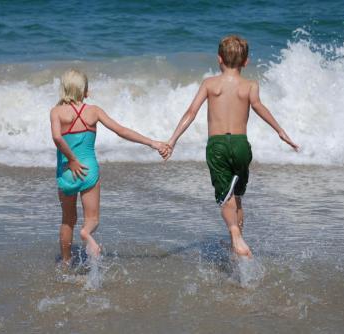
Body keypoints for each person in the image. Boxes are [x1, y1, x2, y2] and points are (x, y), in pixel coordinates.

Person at [161, 35, 299, 258]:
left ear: (219, 59)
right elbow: (259, 107)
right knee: (237, 196)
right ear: (246, 62)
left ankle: (235, 235)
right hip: (241, 146)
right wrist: (281, 131)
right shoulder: (250, 86)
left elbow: (191, 112)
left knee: (225, 197)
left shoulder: (209, 84)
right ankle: (239, 243)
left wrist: (172, 140)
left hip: (217, 146)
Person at [51, 69, 168, 265]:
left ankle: (65, 262)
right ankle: (87, 233)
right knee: (93, 219)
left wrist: (71, 159)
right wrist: (152, 143)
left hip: (67, 172)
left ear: (63, 89)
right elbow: (121, 130)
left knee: (67, 219)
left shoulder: (56, 112)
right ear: (85, 91)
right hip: (89, 171)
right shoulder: (94, 111)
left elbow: (57, 137)